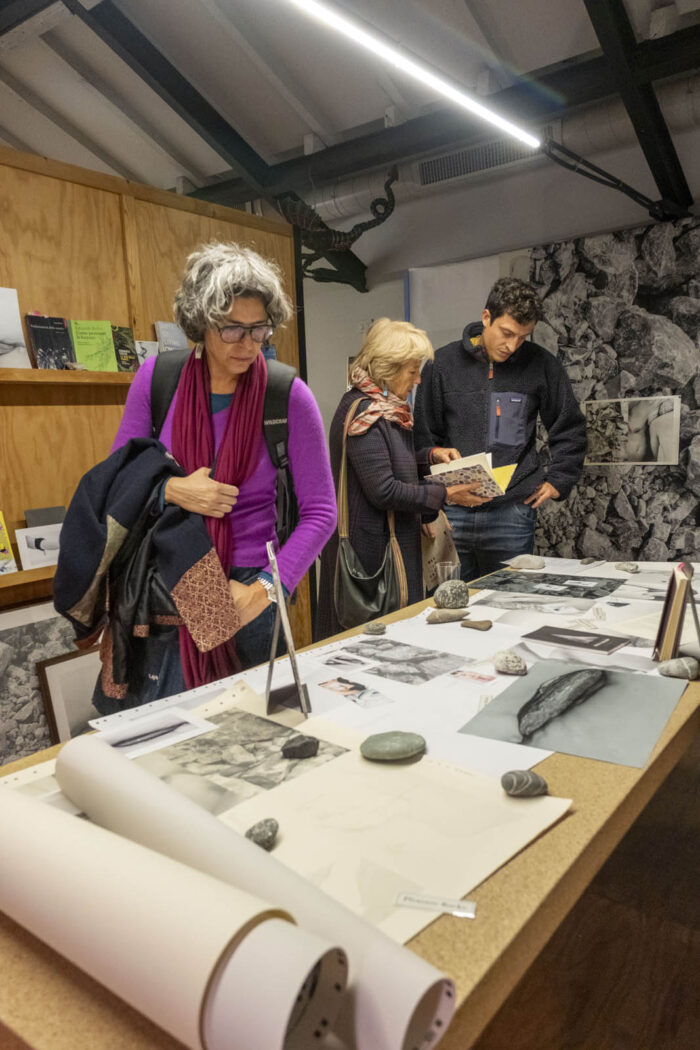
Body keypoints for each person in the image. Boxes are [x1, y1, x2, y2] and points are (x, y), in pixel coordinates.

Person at [90, 241, 336, 712]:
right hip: (169, 581)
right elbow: (118, 481)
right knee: (167, 729)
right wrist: (171, 489)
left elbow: (322, 513)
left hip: (249, 590)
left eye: (259, 328)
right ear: (200, 324)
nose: (248, 343)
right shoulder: (157, 381)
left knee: (254, 730)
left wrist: (266, 588)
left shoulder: (287, 395)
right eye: (232, 329)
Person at [314, 318, 482, 640]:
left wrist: (430, 456)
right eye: (412, 371)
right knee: (370, 648)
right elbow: (384, 489)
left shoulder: (386, 409)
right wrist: (444, 494)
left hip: (384, 549)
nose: (418, 379)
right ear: (388, 368)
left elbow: (388, 462)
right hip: (370, 558)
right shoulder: (366, 415)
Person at [414, 277, 586, 581]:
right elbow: (424, 436)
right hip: (452, 509)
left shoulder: (541, 364)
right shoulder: (441, 365)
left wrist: (560, 479)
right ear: (486, 318)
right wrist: (429, 505)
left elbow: (569, 425)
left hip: (513, 512)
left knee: (512, 598)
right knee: (451, 599)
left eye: (523, 337)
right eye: (506, 333)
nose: (512, 345)